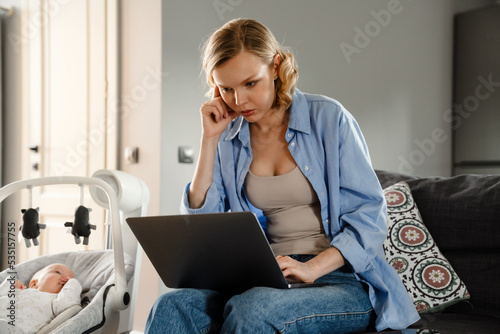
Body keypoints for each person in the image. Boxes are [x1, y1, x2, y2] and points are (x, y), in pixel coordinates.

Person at [146, 18, 420, 333]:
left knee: (254, 309)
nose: (239, 101)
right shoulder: (227, 136)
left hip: (339, 279)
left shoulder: (329, 119)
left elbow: (370, 218)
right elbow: (203, 226)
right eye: (227, 89)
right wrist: (209, 140)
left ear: (275, 66)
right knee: (170, 305)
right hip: (263, 278)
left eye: (250, 83)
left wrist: (311, 268)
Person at [0, 263, 82, 334]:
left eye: (70, 279)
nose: (66, 278)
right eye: (58, 272)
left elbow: (68, 305)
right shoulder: (18, 291)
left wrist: (73, 283)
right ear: (34, 284)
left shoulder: (56, 301)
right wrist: (10, 283)